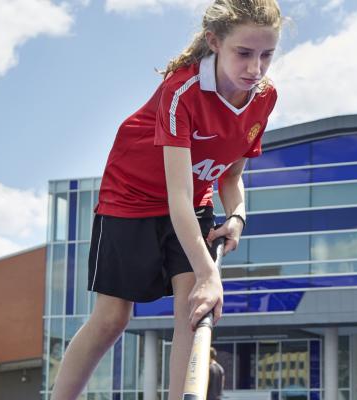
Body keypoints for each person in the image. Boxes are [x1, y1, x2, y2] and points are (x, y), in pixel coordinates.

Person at [50, 1, 282, 399]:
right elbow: (177, 197)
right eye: (243, 53)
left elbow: (231, 175)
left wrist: (238, 216)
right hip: (132, 196)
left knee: (192, 313)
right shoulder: (182, 91)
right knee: (111, 319)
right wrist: (210, 273)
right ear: (215, 42)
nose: (254, 68)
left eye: (266, 55)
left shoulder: (263, 97)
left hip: (194, 202)